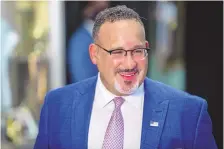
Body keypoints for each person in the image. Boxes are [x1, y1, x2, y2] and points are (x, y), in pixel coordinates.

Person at [34, 5, 217, 149]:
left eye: (138, 51)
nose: (129, 64)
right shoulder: (57, 106)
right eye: (118, 52)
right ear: (94, 54)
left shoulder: (189, 112)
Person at [67, 1, 109, 83]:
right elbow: (84, 82)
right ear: (86, 9)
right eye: (99, 6)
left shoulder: (104, 36)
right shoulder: (80, 41)